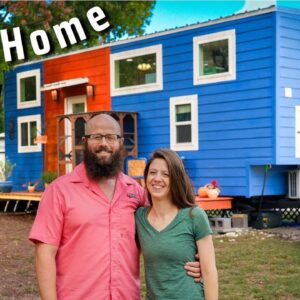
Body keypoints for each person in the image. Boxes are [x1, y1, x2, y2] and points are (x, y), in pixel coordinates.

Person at [29, 114, 201, 300]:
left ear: (120, 143)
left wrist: (195, 260)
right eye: (97, 137)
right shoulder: (59, 191)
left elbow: (162, 230)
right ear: (85, 141)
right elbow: (44, 254)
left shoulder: (135, 191)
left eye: (111, 137)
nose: (104, 143)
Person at [135, 149, 218, 300]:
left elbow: (209, 271)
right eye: (152, 172)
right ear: (146, 177)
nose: (157, 178)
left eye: (166, 174)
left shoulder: (194, 216)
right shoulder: (139, 218)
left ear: (176, 179)